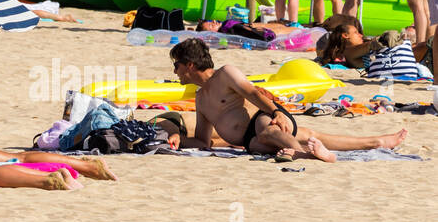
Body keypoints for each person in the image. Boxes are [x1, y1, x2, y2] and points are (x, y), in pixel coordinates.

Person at [168, 37, 407, 162]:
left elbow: (253, 93)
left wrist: (276, 113)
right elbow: (203, 141)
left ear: (190, 64)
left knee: (268, 133)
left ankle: (307, 155)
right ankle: (377, 141)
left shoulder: (225, 74)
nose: (175, 71)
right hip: (249, 140)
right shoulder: (200, 98)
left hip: (265, 118)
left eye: (176, 65)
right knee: (310, 136)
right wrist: (179, 140)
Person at [316, 13, 432, 69]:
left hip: (418, 57)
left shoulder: (354, 53)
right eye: (356, 33)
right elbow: (373, 45)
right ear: (345, 36)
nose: (361, 35)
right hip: (419, 57)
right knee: (429, 44)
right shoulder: (350, 53)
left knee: (426, 44)